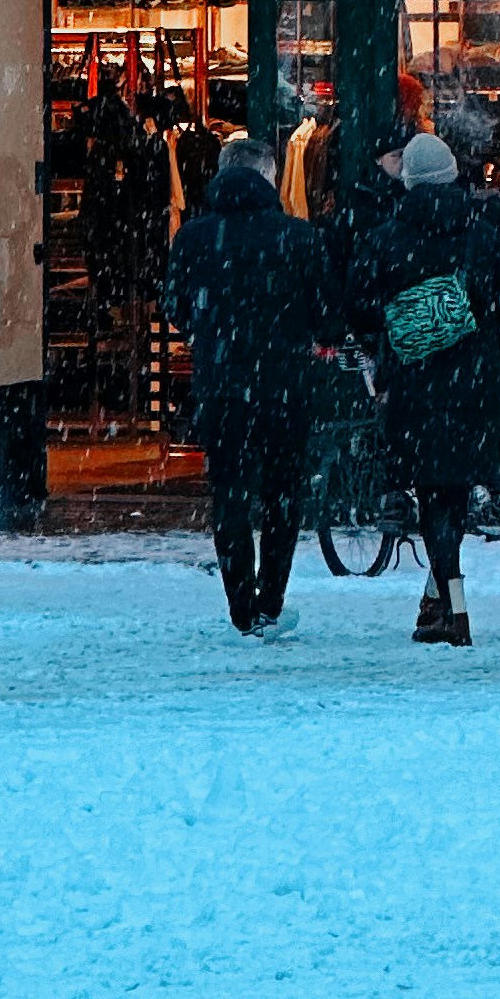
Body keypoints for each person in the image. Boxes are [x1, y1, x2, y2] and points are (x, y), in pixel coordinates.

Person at [347, 130, 500, 648]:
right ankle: (442, 600)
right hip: (475, 385)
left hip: (415, 385)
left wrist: (404, 325)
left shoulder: (387, 237)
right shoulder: (485, 231)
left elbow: (360, 305)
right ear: (453, 176)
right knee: (451, 494)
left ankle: (450, 610)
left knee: (433, 494)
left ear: (409, 180)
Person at [163, 133, 335, 637]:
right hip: (284, 386)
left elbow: (176, 308)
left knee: (231, 494)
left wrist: (213, 330)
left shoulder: (194, 238)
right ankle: (270, 599)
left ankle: (241, 603)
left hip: (222, 384)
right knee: (283, 494)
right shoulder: (299, 238)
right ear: (268, 176)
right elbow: (326, 318)